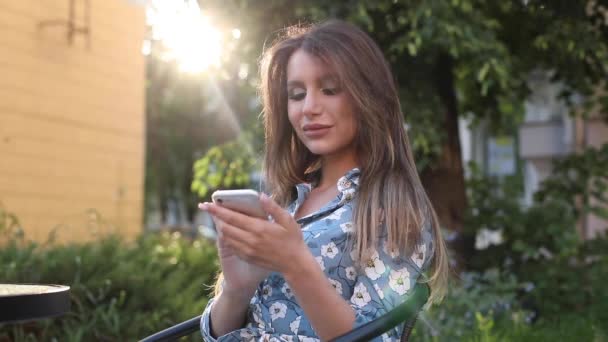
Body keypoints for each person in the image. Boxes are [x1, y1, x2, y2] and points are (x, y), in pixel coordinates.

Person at [198, 19, 448, 342]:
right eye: (297, 94)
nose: (309, 108)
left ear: (368, 96)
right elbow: (217, 333)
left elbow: (373, 337)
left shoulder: (395, 211)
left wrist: (295, 263)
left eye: (329, 90)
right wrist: (236, 290)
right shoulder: (287, 203)